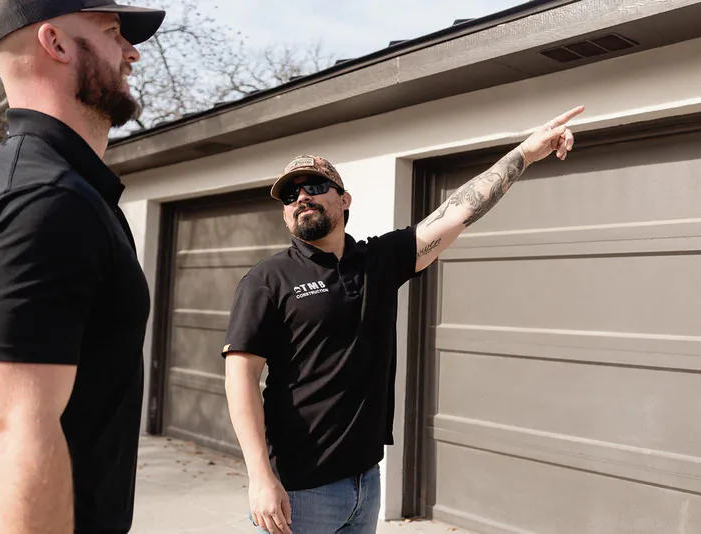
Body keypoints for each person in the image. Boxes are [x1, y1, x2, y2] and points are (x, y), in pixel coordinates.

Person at [222, 106, 585, 534]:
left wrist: (524, 153)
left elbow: (458, 210)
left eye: (315, 186)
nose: (301, 198)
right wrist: (260, 477)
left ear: (344, 200)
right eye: (290, 195)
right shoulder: (268, 279)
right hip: (299, 490)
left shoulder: (378, 261)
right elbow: (241, 377)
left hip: (365, 482)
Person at [0, 1, 165, 533]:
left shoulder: (51, 188)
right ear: (56, 43)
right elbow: (16, 435)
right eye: (112, 32)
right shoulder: (43, 200)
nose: (131, 53)